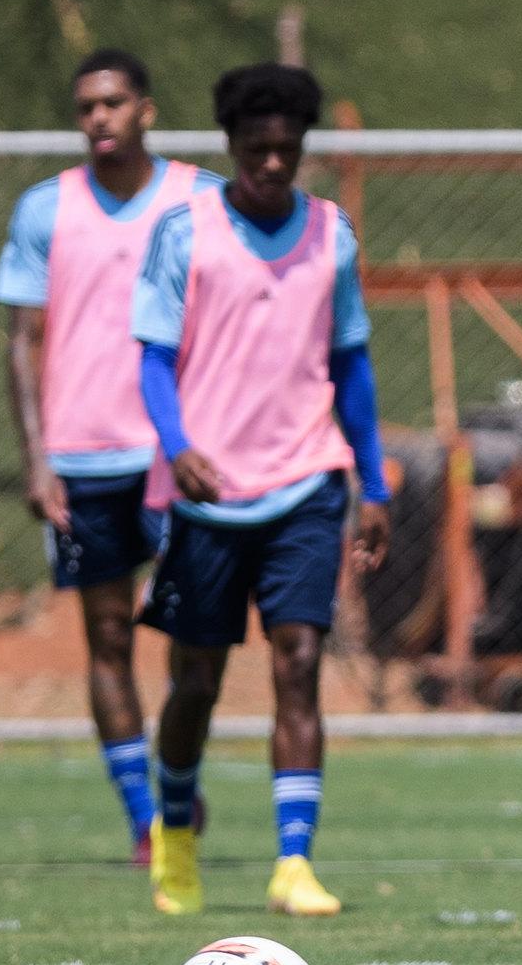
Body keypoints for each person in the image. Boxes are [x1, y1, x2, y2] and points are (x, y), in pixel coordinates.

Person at [132, 62, 391, 917]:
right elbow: (155, 361)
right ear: (231, 145)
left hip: (307, 482)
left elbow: (350, 365)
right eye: (257, 148)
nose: (273, 163)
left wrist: (374, 480)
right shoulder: (186, 232)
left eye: (287, 148)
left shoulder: (332, 235)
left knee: (301, 661)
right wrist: (177, 447)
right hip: (208, 494)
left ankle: (293, 864)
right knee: (196, 681)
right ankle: (175, 838)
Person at [0, 48, 221, 868]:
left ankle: (175, 775)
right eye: (86, 105)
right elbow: (22, 345)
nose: (99, 118)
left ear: (146, 110)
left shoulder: (198, 199)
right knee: (109, 638)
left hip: (176, 457)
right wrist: (37, 459)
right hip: (82, 460)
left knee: (195, 637)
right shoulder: (44, 208)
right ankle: (147, 819)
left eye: (114, 103)